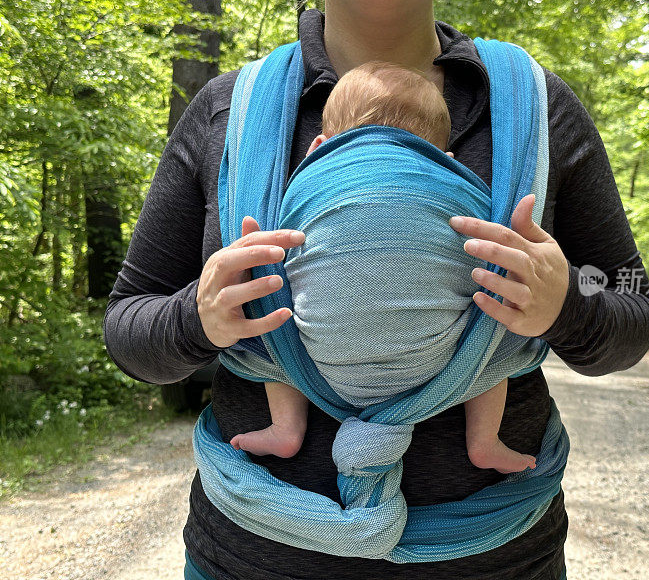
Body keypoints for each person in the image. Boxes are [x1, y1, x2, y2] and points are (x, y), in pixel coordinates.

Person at [103, 0, 649, 578]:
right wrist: (198, 316)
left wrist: (566, 305)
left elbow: (630, 316)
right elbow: (129, 331)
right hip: (252, 560)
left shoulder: (533, 107)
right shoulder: (227, 112)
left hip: (499, 560)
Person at [228, 60, 538, 475]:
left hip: (321, 359)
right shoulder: (458, 184)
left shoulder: (303, 184)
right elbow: (491, 250)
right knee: (495, 320)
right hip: (440, 362)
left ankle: (286, 426)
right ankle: (483, 440)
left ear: (317, 147)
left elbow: (280, 252)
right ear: (444, 159)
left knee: (268, 307)